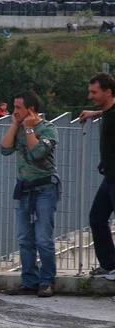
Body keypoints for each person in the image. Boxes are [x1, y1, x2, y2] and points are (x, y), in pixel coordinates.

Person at [0, 91, 59, 297]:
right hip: (24, 189)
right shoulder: (18, 127)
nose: (13, 111)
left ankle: (46, 281)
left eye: (18, 108)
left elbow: (37, 152)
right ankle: (29, 281)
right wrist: (15, 125)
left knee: (43, 238)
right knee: (24, 238)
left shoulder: (48, 128)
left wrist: (29, 128)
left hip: (45, 190)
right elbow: (5, 149)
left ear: (30, 110)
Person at [79, 73, 115, 279]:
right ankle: (110, 264)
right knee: (96, 218)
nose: (90, 96)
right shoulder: (108, 111)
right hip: (109, 177)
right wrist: (96, 113)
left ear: (107, 92)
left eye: (94, 92)